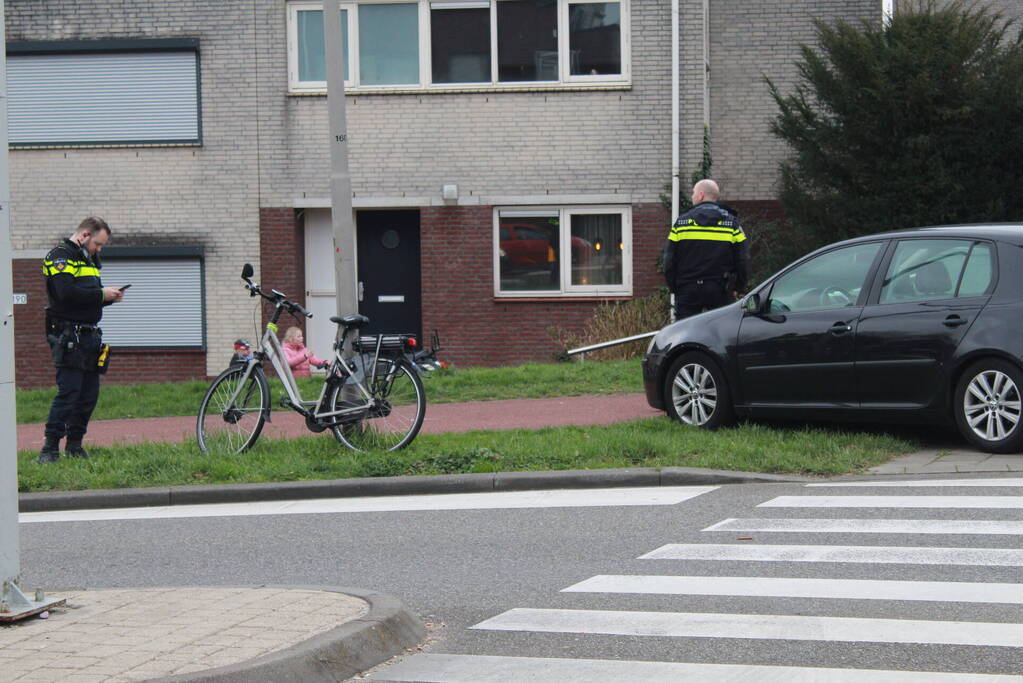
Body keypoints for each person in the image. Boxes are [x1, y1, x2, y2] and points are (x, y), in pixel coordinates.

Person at [38, 217, 124, 463]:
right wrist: (100, 294)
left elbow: (85, 298)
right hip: (68, 335)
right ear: (85, 235)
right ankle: (50, 448)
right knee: (69, 392)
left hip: (89, 336)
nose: (100, 249)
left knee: (88, 395)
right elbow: (65, 294)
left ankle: (75, 445)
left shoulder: (89, 259)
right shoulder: (60, 256)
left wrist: (108, 298)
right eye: (98, 243)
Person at [663, 179, 750, 320]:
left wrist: (674, 287)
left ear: (701, 195)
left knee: (685, 333)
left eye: (693, 193)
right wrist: (738, 287)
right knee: (722, 332)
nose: (692, 197)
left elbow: (669, 259)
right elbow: (743, 258)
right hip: (720, 288)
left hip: (687, 289)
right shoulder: (731, 224)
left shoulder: (682, 223)